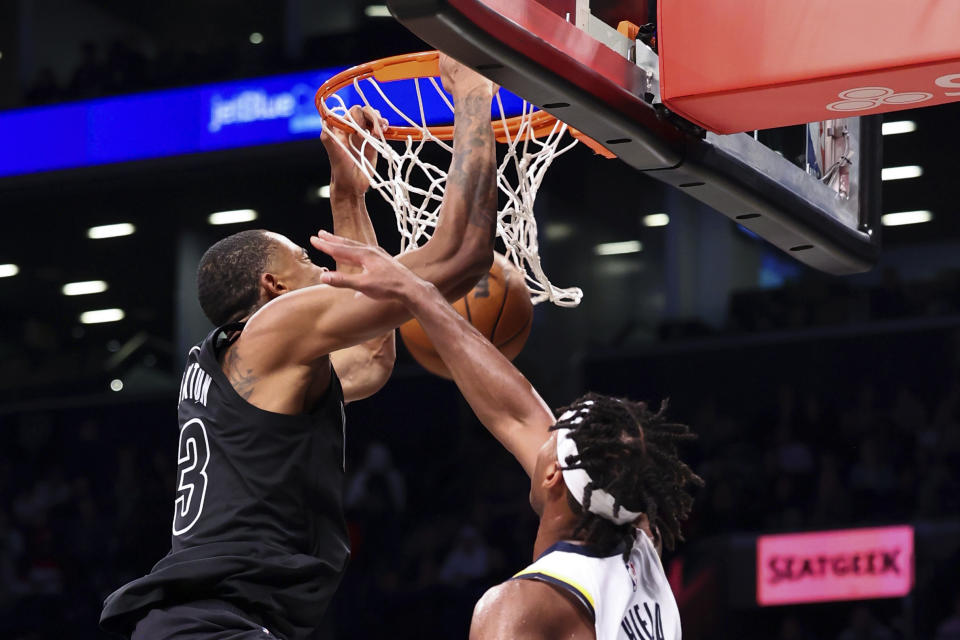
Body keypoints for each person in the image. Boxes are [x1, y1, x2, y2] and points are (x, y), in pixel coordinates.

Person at [99, 54, 499, 640]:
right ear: (275, 288)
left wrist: (349, 197)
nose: (322, 268)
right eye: (308, 260)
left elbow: (370, 357)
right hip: (214, 626)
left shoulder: (250, 361)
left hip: (212, 623)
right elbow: (460, 257)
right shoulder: (274, 329)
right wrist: (470, 98)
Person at [311, 231, 704, 640]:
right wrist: (418, 295)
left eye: (552, 435)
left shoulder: (519, 608)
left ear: (553, 474)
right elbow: (514, 412)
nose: (542, 431)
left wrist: (420, 293)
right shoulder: (641, 549)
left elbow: (520, 417)